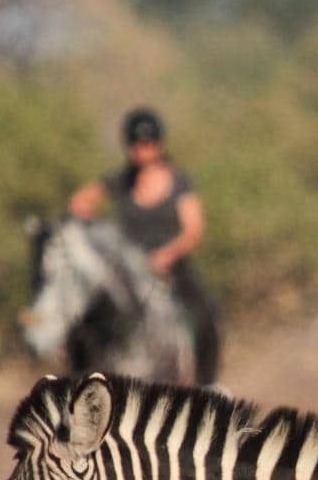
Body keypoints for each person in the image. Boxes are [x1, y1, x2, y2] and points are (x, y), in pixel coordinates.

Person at [69, 107, 222, 384]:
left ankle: (207, 385)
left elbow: (194, 229)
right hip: (127, 270)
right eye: (137, 145)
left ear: (159, 144)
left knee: (204, 316)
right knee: (87, 319)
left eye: (149, 144)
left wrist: (167, 255)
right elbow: (80, 202)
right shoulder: (120, 181)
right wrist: (96, 234)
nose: (143, 151)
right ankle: (82, 380)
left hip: (171, 268)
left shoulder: (179, 182)